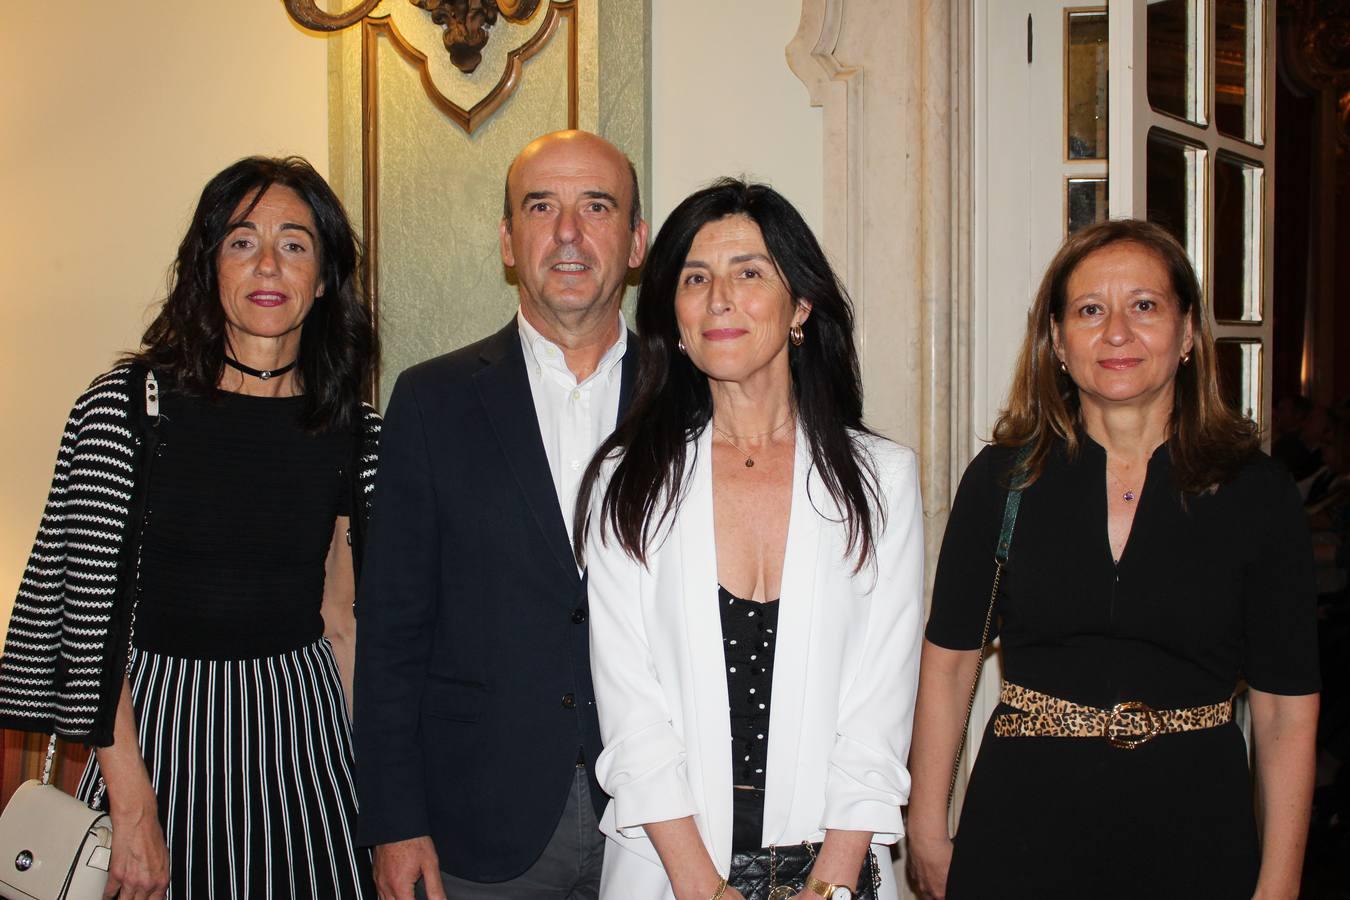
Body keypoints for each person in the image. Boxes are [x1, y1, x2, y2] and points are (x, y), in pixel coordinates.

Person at [0, 155, 380, 898]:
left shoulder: (355, 430)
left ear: (326, 274)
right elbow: (89, 621)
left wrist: (381, 789)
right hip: (159, 731)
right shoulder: (127, 409)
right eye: (241, 241)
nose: (268, 263)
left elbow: (343, 621)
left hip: (304, 739)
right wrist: (134, 809)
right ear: (208, 266)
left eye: (295, 243)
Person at [906, 219, 1321, 899]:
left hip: (1197, 833)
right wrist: (926, 827)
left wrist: (1279, 885)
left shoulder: (1257, 494)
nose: (1117, 332)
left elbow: (1285, 712)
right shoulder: (1002, 480)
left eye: (1145, 306)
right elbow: (950, 664)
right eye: (1090, 310)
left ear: (1187, 334)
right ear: (1059, 344)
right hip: (1020, 831)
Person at [575, 178, 925, 900]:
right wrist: (704, 887)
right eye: (695, 278)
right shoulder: (628, 477)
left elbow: (880, 707)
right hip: (671, 871)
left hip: (838, 868)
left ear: (800, 305)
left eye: (749, 273)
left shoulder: (881, 479)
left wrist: (827, 885)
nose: (719, 299)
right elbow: (630, 709)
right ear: (673, 315)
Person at [354, 130, 648, 900]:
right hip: (477, 822)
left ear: (637, 240)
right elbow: (390, 634)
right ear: (509, 243)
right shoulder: (431, 401)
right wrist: (393, 820)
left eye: (597, 206)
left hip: (663, 819)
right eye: (541, 206)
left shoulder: (691, 399)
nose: (569, 233)